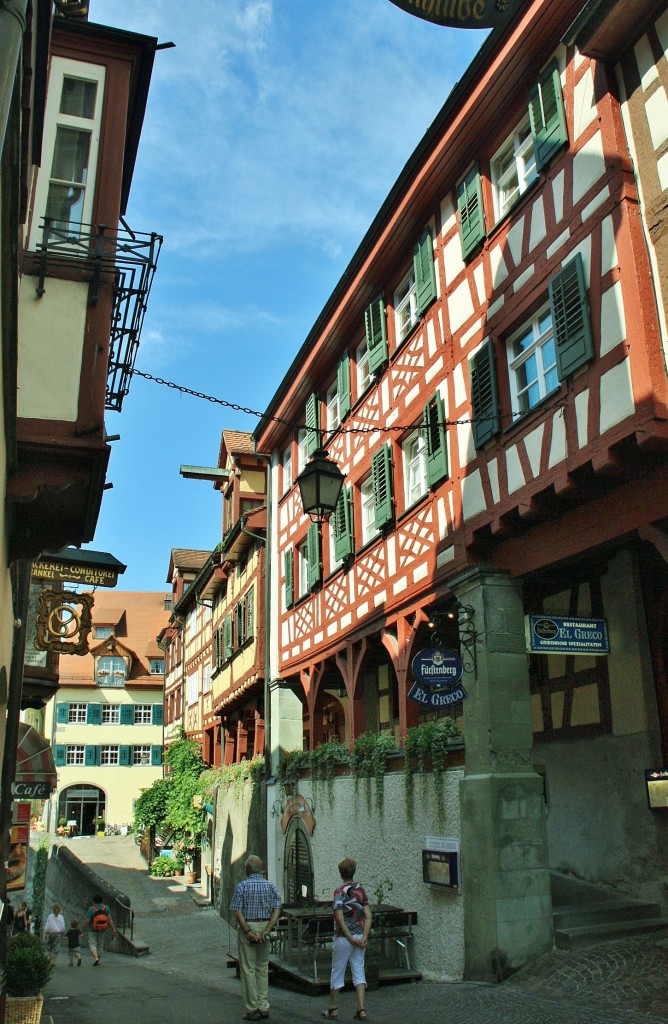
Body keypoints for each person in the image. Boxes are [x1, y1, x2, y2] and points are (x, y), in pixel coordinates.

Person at [229, 854, 282, 1020]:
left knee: (248, 968)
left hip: (249, 925)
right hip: (265, 925)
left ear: (247, 869)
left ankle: (252, 1008)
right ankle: (263, 1005)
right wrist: (268, 929)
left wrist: (248, 931)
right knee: (262, 967)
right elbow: (277, 908)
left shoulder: (242, 887)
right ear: (261, 870)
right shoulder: (270, 886)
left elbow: (237, 911)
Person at [322, 857, 372, 1022]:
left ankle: (333, 1008)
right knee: (359, 971)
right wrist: (363, 937)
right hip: (359, 936)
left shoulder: (339, 892)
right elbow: (368, 915)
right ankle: (361, 1009)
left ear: (341, 873)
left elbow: (339, 917)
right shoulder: (360, 890)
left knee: (337, 971)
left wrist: (349, 937)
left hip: (344, 938)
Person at [83, 893, 117, 966]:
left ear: (94, 901)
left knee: (92, 944)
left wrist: (83, 929)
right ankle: (99, 959)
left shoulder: (91, 909)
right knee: (100, 945)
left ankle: (96, 958)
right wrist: (113, 929)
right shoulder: (106, 908)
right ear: (102, 900)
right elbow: (110, 919)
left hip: (92, 930)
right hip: (103, 929)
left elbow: (87, 921)